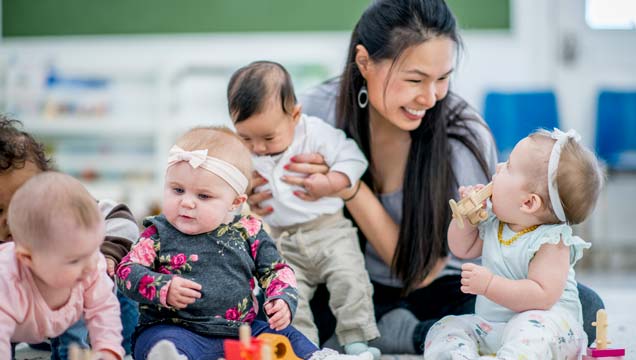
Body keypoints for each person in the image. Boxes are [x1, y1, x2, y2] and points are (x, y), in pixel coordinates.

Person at [246, 0, 604, 353]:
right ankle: (380, 327)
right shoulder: (311, 117)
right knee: (267, 305)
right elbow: (242, 170)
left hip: (432, 283)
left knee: (579, 308)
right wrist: (251, 193)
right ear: (364, 63)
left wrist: (349, 188)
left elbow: (422, 271)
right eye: (415, 79)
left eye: (443, 79)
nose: (430, 97)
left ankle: (402, 331)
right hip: (336, 276)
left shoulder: (464, 137)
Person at [115, 126, 374, 360]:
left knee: (284, 335)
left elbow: (275, 270)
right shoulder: (158, 233)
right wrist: (162, 287)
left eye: (203, 196)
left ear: (235, 203)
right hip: (177, 328)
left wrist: (282, 298)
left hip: (243, 331)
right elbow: (125, 272)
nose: (187, 202)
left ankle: (319, 358)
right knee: (158, 341)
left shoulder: (248, 230)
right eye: (177, 190)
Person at [227, 61, 380, 358]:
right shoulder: (243, 151)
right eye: (246, 137)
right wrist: (243, 189)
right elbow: (229, 183)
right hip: (282, 240)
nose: (257, 147)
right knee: (286, 298)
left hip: (329, 230)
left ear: (295, 115)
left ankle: (357, 341)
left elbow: (354, 158)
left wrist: (331, 181)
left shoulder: (315, 134)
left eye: (268, 138)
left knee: (350, 280)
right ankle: (305, 348)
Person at [424, 128, 603, 358]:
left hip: (545, 326)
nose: (498, 167)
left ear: (528, 202)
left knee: (531, 333)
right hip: (493, 327)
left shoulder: (552, 241)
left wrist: (489, 285)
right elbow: (461, 248)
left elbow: (541, 295)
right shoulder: (496, 222)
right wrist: (467, 220)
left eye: (508, 166)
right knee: (446, 328)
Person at [0, 116, 139, 359]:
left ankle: (130, 345)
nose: (13, 218)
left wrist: (103, 254)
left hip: (75, 307)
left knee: (118, 292)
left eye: (26, 198)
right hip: (19, 314)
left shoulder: (65, 213)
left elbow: (119, 217)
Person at [0, 172, 124, 359]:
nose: (90, 266)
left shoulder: (91, 265)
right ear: (28, 258)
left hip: (66, 315)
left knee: (82, 327)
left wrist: (108, 350)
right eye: (74, 260)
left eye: (94, 249)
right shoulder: (7, 281)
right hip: (14, 321)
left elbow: (103, 310)